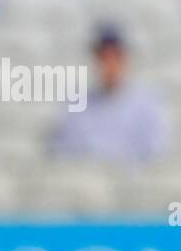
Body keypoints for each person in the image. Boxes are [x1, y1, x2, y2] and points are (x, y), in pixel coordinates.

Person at [51, 25, 169, 164]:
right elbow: (62, 150)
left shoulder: (148, 104)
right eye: (103, 57)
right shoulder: (77, 104)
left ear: (125, 59)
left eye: (115, 56)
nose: (109, 64)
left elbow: (156, 152)